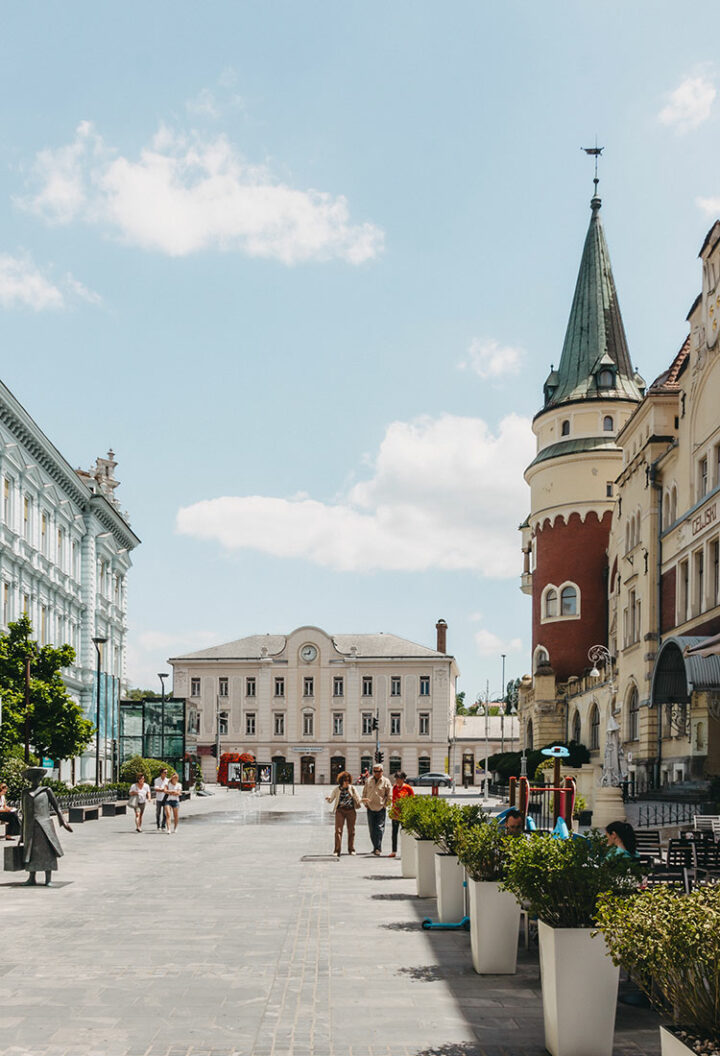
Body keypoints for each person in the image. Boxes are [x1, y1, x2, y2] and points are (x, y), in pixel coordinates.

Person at [20, 767, 72, 885]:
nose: (36, 780)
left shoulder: (46, 791)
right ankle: (31, 877)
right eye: (34, 778)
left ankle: (48, 878)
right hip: (30, 827)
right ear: (30, 779)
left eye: (38, 778)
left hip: (44, 826)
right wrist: (21, 833)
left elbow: (57, 807)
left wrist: (63, 821)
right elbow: (24, 812)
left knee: (47, 851)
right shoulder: (25, 792)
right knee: (30, 852)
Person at [325, 771, 362, 856]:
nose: (347, 782)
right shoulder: (337, 789)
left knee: (351, 831)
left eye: (348, 780)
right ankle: (337, 850)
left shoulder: (352, 788)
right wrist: (328, 798)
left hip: (351, 811)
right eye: (345, 780)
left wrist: (362, 800)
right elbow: (331, 800)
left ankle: (351, 849)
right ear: (341, 781)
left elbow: (358, 797)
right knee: (338, 831)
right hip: (340, 811)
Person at [361, 763, 392, 855]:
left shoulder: (386, 781)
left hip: (380, 808)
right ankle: (375, 847)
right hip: (370, 808)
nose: (377, 773)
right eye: (375, 771)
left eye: (378, 771)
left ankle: (378, 848)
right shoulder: (369, 780)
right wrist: (365, 803)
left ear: (382, 772)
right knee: (372, 829)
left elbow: (389, 795)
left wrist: (385, 805)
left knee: (379, 828)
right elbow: (364, 793)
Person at [389, 771, 414, 857]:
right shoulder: (395, 787)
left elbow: (412, 800)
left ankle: (406, 851)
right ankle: (394, 851)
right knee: (394, 833)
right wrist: (392, 812)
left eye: (399, 779)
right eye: (396, 779)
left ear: (403, 779)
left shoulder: (408, 788)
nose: (397, 781)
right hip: (395, 814)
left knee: (405, 833)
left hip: (404, 814)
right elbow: (393, 800)